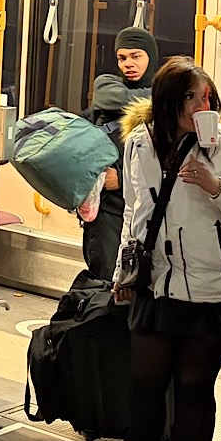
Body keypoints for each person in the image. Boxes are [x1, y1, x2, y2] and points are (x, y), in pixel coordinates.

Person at [98, 56, 221, 441]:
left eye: (207, 97)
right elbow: (135, 211)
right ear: (168, 102)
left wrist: (216, 186)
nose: (202, 105)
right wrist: (124, 271)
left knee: (193, 388)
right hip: (156, 283)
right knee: (145, 380)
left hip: (213, 289)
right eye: (191, 97)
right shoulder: (140, 142)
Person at [78, 26, 160, 281]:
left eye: (136, 56)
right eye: (122, 58)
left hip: (147, 208)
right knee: (105, 277)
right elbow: (110, 97)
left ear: (150, 57)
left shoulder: (165, 108)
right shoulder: (107, 85)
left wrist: (122, 180)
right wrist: (160, 97)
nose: (128, 64)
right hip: (108, 210)